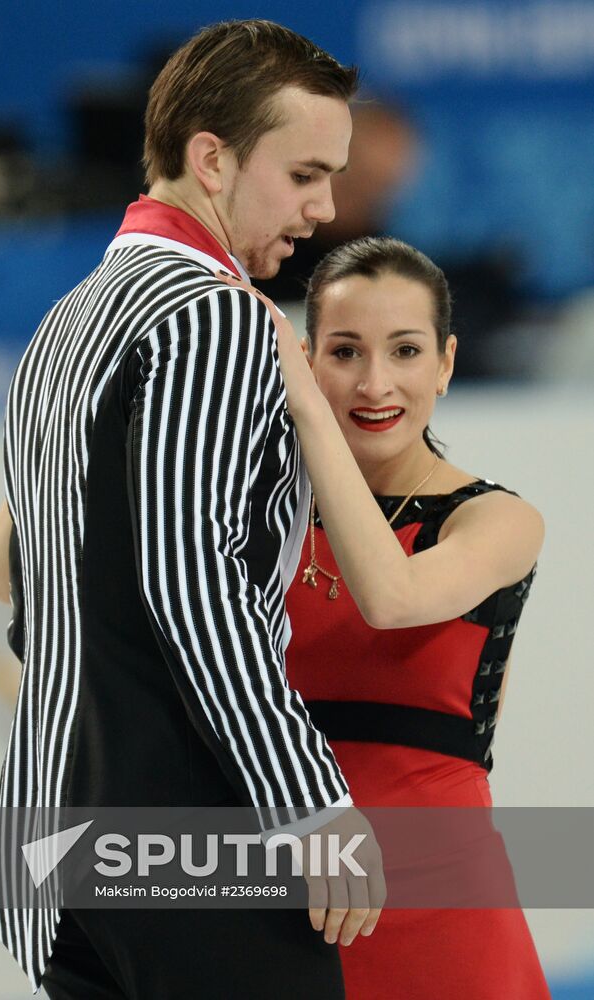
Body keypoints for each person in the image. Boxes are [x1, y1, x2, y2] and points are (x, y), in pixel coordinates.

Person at [0, 20, 385, 999]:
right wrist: (308, 803)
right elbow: (188, 576)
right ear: (211, 158)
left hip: (58, 837)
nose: (325, 206)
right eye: (302, 174)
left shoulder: (66, 319)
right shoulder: (211, 315)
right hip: (186, 834)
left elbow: (29, 588)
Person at [218, 236, 550, 998]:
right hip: (274, 905)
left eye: (404, 351)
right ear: (306, 357)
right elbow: (10, 573)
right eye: (343, 352)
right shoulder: (253, 515)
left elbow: (390, 598)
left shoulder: (496, 520)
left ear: (445, 363)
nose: (375, 384)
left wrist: (302, 412)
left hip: (445, 915)